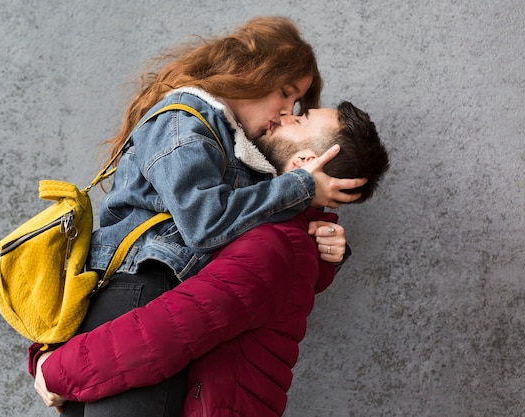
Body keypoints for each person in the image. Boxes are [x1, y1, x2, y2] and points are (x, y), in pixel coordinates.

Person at [27, 15, 365, 417]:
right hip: (140, 290)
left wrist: (325, 243)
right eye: (286, 93)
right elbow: (206, 224)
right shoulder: (181, 120)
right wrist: (301, 187)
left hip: (156, 300)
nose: (285, 112)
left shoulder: (239, 146)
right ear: (253, 75)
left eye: (297, 106)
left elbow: (263, 257)